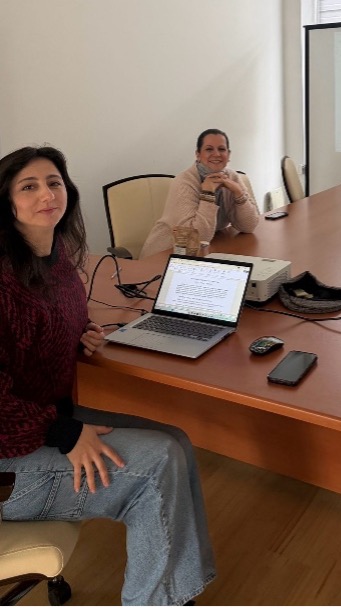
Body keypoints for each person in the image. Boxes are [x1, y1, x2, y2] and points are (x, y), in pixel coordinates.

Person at [0, 146, 215, 605]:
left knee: (176, 439)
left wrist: (81, 335)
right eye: (28, 186)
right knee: (157, 464)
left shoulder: (54, 258)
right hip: (9, 463)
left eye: (54, 182)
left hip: (45, 423)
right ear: (6, 202)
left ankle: (175, 594)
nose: (46, 195)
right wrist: (64, 433)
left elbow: (39, 331)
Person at [140, 128, 260, 257]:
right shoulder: (184, 182)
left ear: (229, 155)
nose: (216, 154)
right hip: (166, 254)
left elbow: (249, 226)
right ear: (198, 154)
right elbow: (197, 238)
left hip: (207, 250)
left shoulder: (232, 177)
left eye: (221, 149)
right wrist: (208, 193)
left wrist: (238, 193)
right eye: (209, 149)